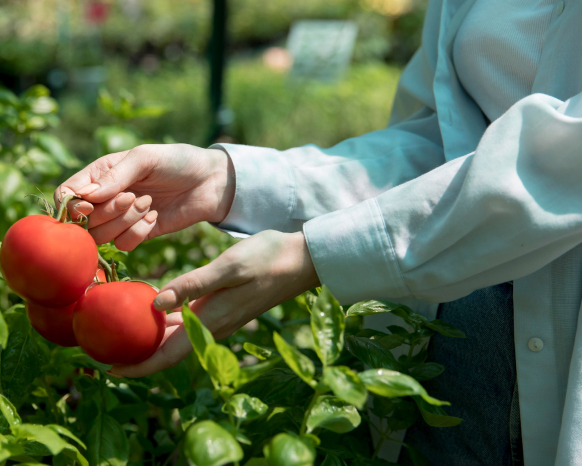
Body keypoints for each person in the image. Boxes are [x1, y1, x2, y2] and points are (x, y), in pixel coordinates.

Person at [56, 0, 582, 464]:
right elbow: (443, 140)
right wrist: (226, 180)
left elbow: (565, 160)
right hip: (450, 344)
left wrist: (315, 256)